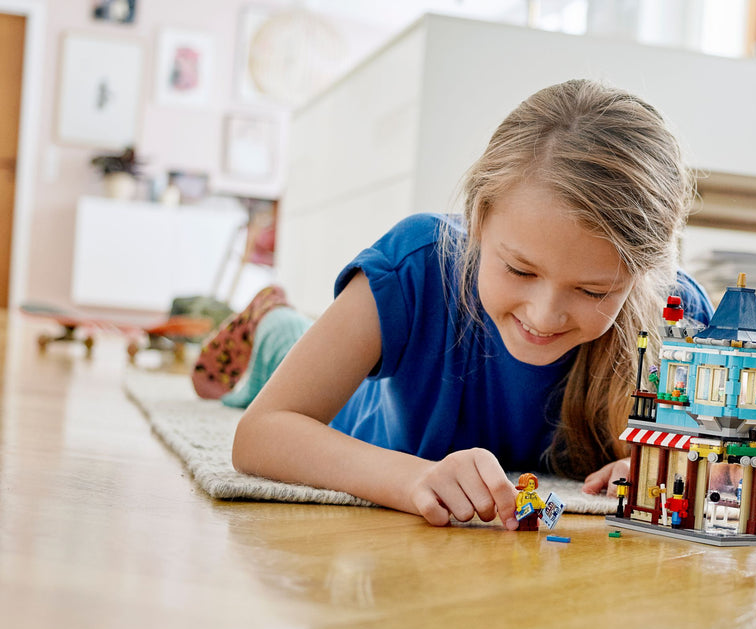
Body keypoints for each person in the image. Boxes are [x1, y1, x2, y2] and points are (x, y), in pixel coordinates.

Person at [212, 79, 709, 528]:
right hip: (345, 390)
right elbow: (260, 433)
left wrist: (677, 468)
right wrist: (410, 478)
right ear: (476, 220)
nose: (543, 314)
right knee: (284, 340)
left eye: (593, 291)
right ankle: (268, 316)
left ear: (643, 276)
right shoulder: (416, 263)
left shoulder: (674, 318)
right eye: (519, 270)